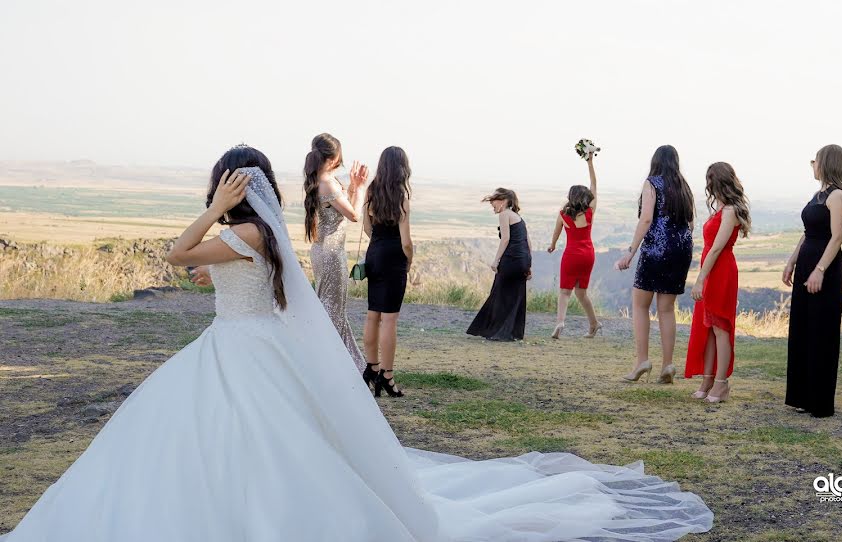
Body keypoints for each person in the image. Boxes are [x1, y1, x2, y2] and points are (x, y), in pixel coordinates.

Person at [0, 145, 714, 542]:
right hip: (242, 347)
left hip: (238, 351)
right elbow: (203, 271)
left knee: (250, 445)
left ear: (232, 188)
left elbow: (174, 256)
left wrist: (212, 209)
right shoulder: (256, 237)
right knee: (255, 443)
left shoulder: (242, 231)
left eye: (222, 185)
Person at [615, 145, 694, 384]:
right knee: (667, 309)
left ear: (655, 161)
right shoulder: (684, 187)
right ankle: (668, 364)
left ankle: (642, 361)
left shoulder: (652, 183)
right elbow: (690, 224)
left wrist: (631, 252)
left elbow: (647, 218)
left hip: (656, 248)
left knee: (640, 305)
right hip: (681, 248)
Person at [784, 145, 842, 418]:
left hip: (825, 268)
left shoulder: (837, 196)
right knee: (803, 328)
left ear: (826, 163)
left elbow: (836, 237)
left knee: (821, 332)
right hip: (807, 264)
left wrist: (820, 269)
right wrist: (792, 261)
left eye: (815, 161)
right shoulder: (818, 194)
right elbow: (807, 233)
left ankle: (820, 402)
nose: (812, 165)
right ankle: (803, 396)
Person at [302, 133, 372, 380]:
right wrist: (361, 188)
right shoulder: (328, 184)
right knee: (333, 311)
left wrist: (352, 187)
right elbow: (354, 216)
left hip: (323, 251)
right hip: (332, 254)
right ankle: (334, 365)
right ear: (332, 159)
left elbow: (343, 211)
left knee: (331, 308)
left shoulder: (318, 181)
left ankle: (346, 363)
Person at [684, 162, 751, 402]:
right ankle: (708, 379)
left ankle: (722, 384)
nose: (707, 185)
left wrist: (700, 279)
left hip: (721, 272)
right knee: (709, 328)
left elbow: (716, 249)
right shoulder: (721, 208)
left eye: (709, 180)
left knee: (720, 328)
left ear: (717, 181)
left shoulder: (730, 210)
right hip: (712, 269)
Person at [363, 146, 413, 398]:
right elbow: (406, 241)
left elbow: (366, 227)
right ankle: (387, 375)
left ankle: (371, 368)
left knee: (373, 314)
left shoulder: (371, 191)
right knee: (390, 319)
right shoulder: (401, 199)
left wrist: (379, 244)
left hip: (374, 253)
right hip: (394, 258)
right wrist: (409, 260)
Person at [467, 188, 532, 341]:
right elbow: (528, 242)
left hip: (511, 260)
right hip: (522, 261)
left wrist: (496, 260)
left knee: (499, 294)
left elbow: (506, 239)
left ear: (503, 201)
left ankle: (496, 331)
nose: (492, 205)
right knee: (516, 296)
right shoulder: (518, 217)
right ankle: (513, 333)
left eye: (494, 202)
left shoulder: (505, 214)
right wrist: (529, 266)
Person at [548, 152, 600, 339]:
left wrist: (553, 245)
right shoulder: (589, 212)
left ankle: (560, 321)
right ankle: (594, 324)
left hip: (571, 254)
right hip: (588, 254)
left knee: (565, 291)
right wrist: (590, 163)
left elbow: (556, 232)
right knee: (581, 292)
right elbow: (594, 185)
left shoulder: (563, 214)